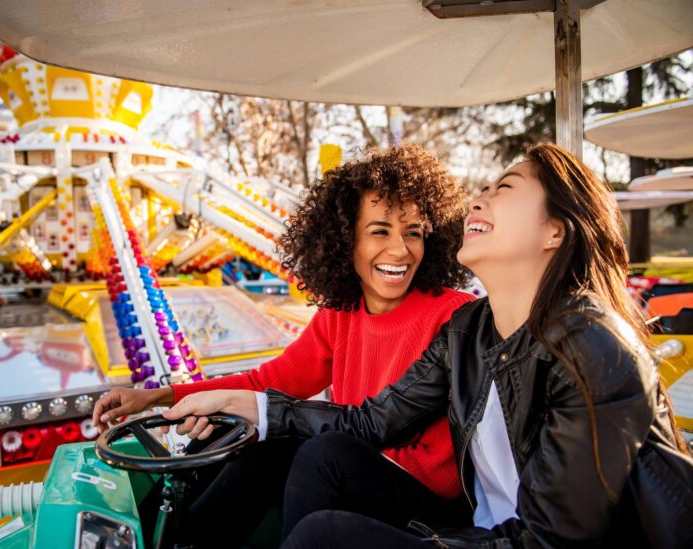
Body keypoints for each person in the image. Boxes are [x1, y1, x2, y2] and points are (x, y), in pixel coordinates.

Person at [168, 143, 693, 548]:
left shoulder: (593, 348)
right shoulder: (470, 331)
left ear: (554, 232)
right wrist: (250, 407)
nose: (479, 199)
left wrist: (436, 541)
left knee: (324, 535)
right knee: (319, 458)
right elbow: (370, 423)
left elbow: (551, 539)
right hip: (483, 532)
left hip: (510, 540)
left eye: (504, 188)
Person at [93, 144, 474, 547]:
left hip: (426, 507)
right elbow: (267, 383)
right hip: (353, 471)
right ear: (346, 240)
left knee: (315, 450)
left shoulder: (456, 316)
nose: (400, 250)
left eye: (413, 233)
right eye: (380, 231)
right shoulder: (340, 315)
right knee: (253, 440)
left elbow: (374, 425)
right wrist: (157, 397)